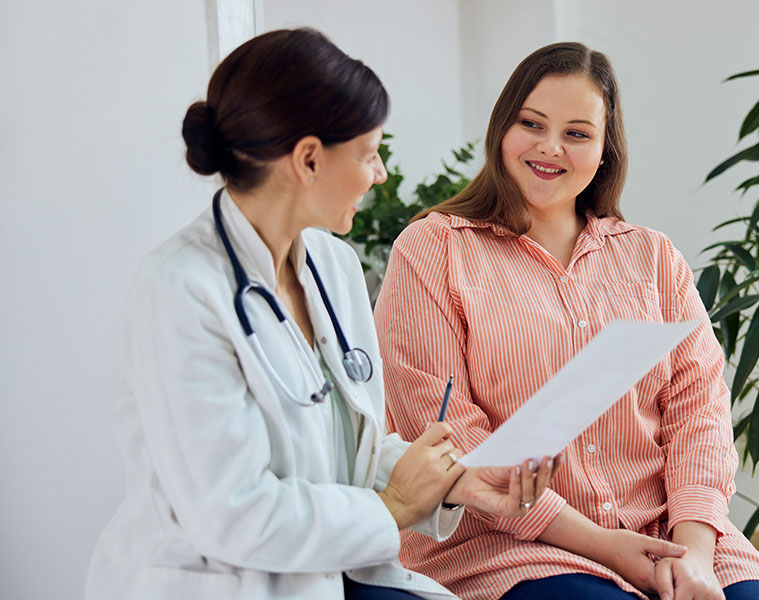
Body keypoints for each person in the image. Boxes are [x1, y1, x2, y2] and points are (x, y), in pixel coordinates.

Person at [85, 28, 556, 600]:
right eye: (368, 153)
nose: (379, 173)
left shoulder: (331, 266)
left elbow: (345, 449)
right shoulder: (180, 291)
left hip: (329, 571)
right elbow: (234, 514)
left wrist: (458, 483)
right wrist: (393, 507)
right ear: (308, 159)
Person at [373, 42, 759, 600]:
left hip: (663, 525)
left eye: (577, 133)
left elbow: (699, 416)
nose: (549, 147)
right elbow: (446, 430)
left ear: (605, 150)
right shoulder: (433, 249)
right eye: (531, 123)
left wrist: (696, 557)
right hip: (506, 541)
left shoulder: (654, 258)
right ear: (502, 128)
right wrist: (603, 546)